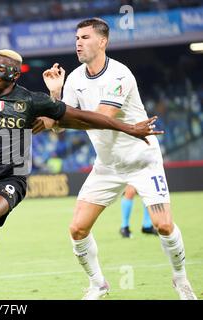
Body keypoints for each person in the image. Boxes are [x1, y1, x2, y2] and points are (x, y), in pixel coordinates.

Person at [0, 49, 160, 300]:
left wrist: (129, 128)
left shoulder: (31, 101)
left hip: (11, 179)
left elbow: (83, 116)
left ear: (13, 75)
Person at [36, 18, 197, 300]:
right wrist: (54, 95)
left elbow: (100, 119)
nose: (78, 43)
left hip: (142, 159)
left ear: (102, 42)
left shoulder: (120, 75)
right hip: (107, 165)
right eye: (76, 38)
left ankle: (181, 281)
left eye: (85, 37)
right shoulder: (74, 79)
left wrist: (58, 112)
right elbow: (59, 126)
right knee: (77, 228)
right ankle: (98, 284)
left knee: (164, 225)